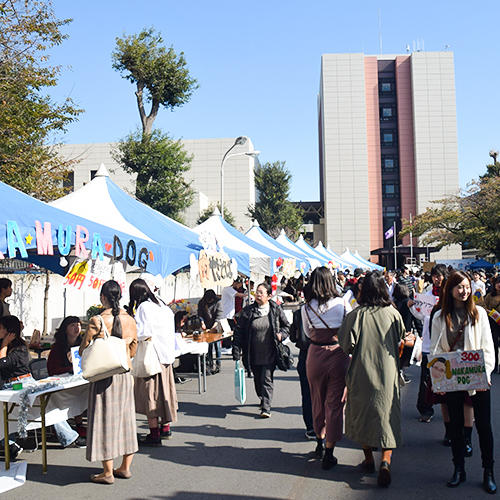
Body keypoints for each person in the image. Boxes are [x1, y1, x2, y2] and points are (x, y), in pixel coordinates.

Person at [430, 271, 496, 493]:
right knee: (456, 426)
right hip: (452, 377)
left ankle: (489, 470)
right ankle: (459, 468)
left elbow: (488, 347)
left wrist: (484, 376)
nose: (464, 290)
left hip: (477, 377)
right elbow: (437, 349)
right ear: (449, 290)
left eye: (466, 286)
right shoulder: (440, 317)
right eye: (459, 286)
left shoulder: (479, 314)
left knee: (484, 427)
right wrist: (438, 380)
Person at [338, 270, 405, 487]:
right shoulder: (393, 314)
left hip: (362, 372)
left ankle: (368, 459)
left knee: (363, 415)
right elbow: (401, 339)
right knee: (387, 416)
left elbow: (346, 345)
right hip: (388, 373)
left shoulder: (355, 315)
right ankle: (385, 460)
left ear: (363, 290)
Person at [79, 280, 138, 484]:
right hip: (124, 375)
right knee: (126, 420)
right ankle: (125, 467)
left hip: (103, 376)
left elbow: (84, 348)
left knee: (105, 421)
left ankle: (107, 472)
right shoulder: (130, 319)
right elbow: (134, 348)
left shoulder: (97, 320)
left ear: (103, 297)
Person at [302, 267, 351, 469]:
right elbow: (349, 329)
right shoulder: (342, 304)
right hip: (338, 356)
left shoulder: (306, 308)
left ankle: (319, 442)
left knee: (317, 400)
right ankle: (330, 450)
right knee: (335, 402)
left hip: (315, 355)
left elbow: (307, 332)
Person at [128, 279, 178, 447]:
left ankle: (154, 433)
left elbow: (143, 332)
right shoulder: (162, 304)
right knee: (165, 394)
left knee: (151, 395)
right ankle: (165, 428)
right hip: (166, 356)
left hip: (152, 357)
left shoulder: (143, 307)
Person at [232, 282, 290, 417]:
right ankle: (262, 397)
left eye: (261, 292)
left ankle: (266, 407)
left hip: (270, 352)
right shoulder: (248, 311)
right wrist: (236, 350)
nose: (257, 295)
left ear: (269, 296)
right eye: (257, 292)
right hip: (252, 352)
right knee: (258, 379)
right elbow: (239, 331)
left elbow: (287, 326)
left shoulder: (275, 309)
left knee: (266, 378)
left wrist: (281, 334)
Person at [47, 315, 87, 442]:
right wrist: (70, 367)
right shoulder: (58, 347)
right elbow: (52, 369)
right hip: (62, 381)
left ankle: (80, 423)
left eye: (78, 324)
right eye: (73, 325)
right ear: (65, 329)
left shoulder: (83, 344)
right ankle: (70, 425)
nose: (77, 328)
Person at [289, 306, 314, 440]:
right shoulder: (336, 307)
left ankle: (311, 427)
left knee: (307, 393)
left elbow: (293, 336)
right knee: (326, 394)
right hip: (328, 352)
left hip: (305, 354)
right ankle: (326, 427)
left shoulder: (300, 312)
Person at [197, 289, 224, 374]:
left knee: (217, 346)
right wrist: (202, 322)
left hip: (216, 327)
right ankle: (210, 365)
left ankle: (218, 365)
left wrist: (213, 328)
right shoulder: (202, 302)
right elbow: (200, 314)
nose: (209, 301)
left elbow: (218, 317)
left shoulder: (218, 302)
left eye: (211, 300)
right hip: (206, 326)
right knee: (208, 347)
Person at [483, 275, 500, 372]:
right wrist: (490, 312)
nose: (499, 285)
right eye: (498, 282)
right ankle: (494, 365)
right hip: (492, 322)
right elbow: (484, 306)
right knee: (494, 344)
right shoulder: (490, 295)